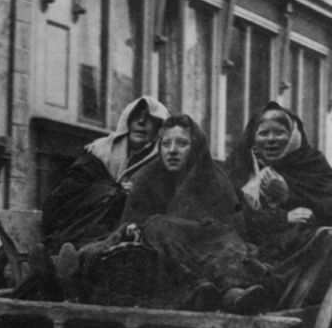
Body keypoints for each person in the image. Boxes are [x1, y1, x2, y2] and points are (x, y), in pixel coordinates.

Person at [73, 114, 269, 314]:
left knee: (218, 241)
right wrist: (134, 229)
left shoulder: (214, 179)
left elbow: (232, 234)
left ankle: (230, 294)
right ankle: (202, 292)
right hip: (161, 262)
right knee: (154, 228)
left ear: (195, 147)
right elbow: (131, 222)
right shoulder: (147, 177)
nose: (172, 150)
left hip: (209, 257)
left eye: (182, 143)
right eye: (166, 144)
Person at [224, 101, 332, 261]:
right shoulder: (239, 166)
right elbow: (226, 213)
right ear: (253, 138)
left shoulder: (312, 163)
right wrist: (282, 217)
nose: (271, 139)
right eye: (263, 133)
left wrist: (289, 194)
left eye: (279, 133)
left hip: (293, 255)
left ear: (293, 137)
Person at [42, 96, 169, 253]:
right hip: (85, 226)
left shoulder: (162, 164)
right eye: (136, 116)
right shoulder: (101, 151)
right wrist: (113, 191)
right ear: (127, 121)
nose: (141, 122)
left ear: (159, 129)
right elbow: (65, 195)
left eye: (149, 118)